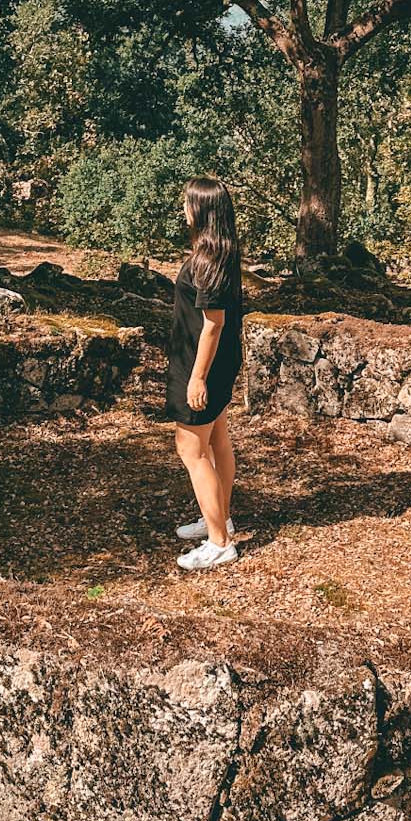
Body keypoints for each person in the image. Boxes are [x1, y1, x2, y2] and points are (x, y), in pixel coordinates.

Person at [166, 176, 243, 570]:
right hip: (219, 361)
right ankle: (219, 517)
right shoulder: (222, 251)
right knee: (218, 441)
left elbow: (213, 323)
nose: (184, 208)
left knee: (192, 450)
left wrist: (196, 379)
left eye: (187, 202)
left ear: (201, 210)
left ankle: (219, 542)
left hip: (204, 365)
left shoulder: (208, 260)